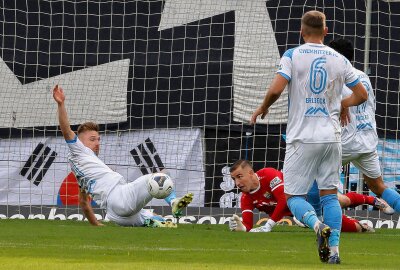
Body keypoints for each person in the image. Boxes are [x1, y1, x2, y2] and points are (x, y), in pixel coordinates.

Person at [250, 10, 368, 264]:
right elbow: (362, 95)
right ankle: (334, 251)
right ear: (326, 32)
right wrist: (339, 105)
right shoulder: (340, 59)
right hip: (331, 138)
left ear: (301, 32)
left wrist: (264, 107)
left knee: (293, 197)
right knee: (329, 195)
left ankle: (316, 226)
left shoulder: (293, 55)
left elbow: (277, 88)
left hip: (302, 138)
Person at [52, 85, 193, 227]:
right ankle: (174, 202)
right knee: (160, 176)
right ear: (80, 141)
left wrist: (96, 225)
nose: (97, 143)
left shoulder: (82, 173)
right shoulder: (78, 150)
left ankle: (154, 222)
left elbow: (83, 202)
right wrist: (61, 104)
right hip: (119, 197)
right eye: (92, 139)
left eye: (98, 139)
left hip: (115, 214)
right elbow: (66, 131)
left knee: (158, 221)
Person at [327, 38, 400, 214]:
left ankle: (319, 220)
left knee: (320, 182)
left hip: (345, 141)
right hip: (367, 140)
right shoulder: (363, 76)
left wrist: (342, 105)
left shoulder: (336, 78)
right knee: (378, 186)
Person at [228, 160, 377, 234]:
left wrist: (269, 224)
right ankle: (361, 226)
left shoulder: (268, 175)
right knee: (355, 229)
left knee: (341, 200)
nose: (237, 182)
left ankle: (373, 200)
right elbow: (247, 226)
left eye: (239, 176)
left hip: (308, 195)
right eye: (234, 179)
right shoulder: (246, 198)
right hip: (304, 214)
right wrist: (242, 228)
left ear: (251, 173)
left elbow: (284, 199)